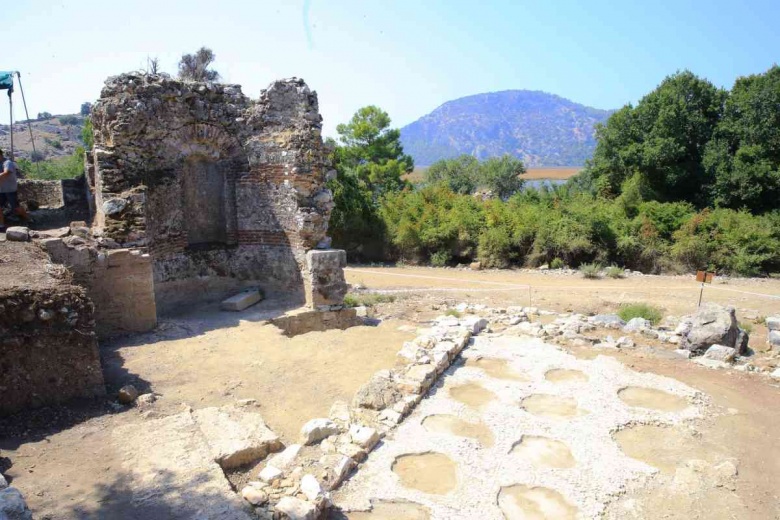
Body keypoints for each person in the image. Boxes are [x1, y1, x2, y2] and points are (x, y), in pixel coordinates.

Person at [0, 149, 28, 229]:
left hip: (10, 190)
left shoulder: (7, 163)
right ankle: (1, 225)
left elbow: (7, 172)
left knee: (16, 208)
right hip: (1, 190)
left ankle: (28, 219)